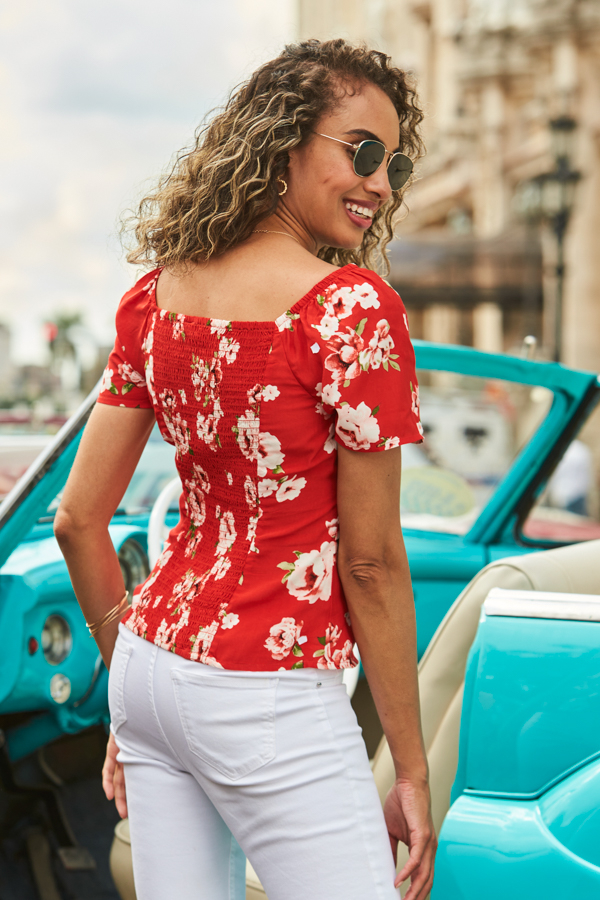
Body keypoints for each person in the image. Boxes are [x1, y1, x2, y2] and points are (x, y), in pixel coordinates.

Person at [54, 38, 436, 900]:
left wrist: (129, 683)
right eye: (362, 151)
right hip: (267, 692)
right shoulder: (349, 311)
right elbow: (370, 564)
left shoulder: (155, 299)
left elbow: (78, 520)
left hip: (149, 669)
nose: (380, 182)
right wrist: (409, 770)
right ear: (282, 143)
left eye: (394, 162)